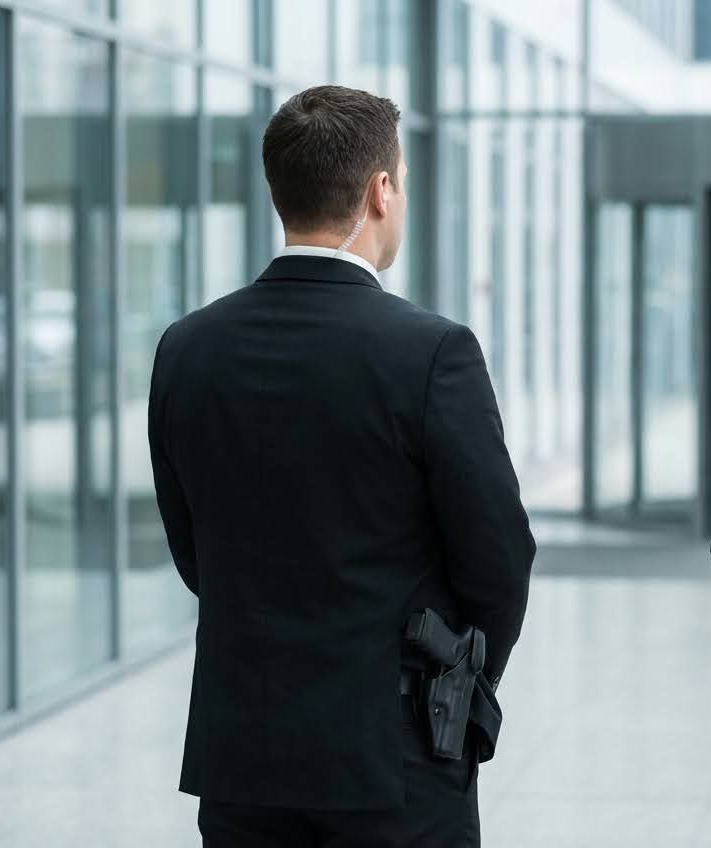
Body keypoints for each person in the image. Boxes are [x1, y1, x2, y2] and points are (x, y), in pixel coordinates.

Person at [148, 85, 535, 847]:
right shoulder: (430, 352)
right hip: (392, 759)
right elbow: (499, 560)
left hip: (241, 756)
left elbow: (194, 552)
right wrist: (458, 678)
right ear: (380, 190)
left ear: (276, 190)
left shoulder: (187, 347)